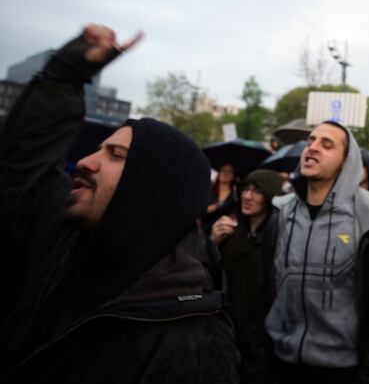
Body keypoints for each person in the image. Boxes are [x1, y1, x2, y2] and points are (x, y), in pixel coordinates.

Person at [0, 25, 239, 382]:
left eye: (116, 155)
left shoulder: (190, 340)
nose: (86, 162)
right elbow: (25, 171)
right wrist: (66, 75)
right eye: (97, 149)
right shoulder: (60, 239)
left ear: (153, 186)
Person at [263, 121, 369, 384]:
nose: (312, 148)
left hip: (348, 371)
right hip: (282, 366)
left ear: (347, 161)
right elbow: (263, 295)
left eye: (326, 145)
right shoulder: (280, 213)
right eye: (311, 141)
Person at [210, 169, 283, 382]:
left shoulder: (280, 237)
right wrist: (213, 243)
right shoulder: (230, 232)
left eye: (257, 191)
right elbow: (212, 275)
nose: (247, 196)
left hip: (263, 342)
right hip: (229, 337)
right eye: (245, 189)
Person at [204, 163, 239, 231]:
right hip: (206, 228)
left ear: (233, 176)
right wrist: (206, 209)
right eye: (223, 170)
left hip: (226, 230)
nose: (225, 173)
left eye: (229, 171)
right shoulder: (208, 190)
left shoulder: (235, 194)